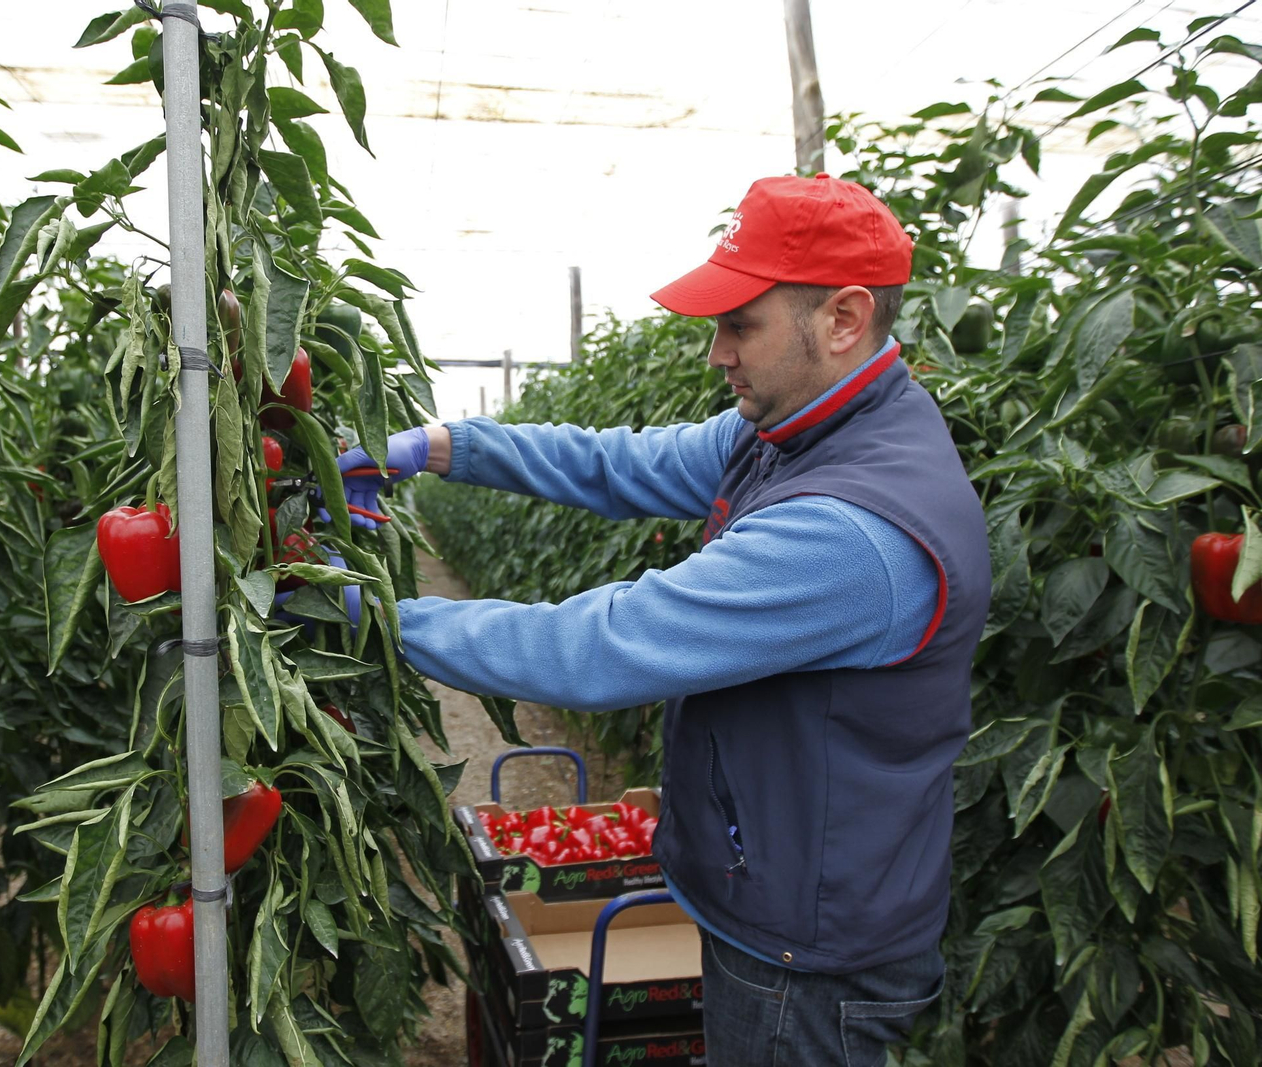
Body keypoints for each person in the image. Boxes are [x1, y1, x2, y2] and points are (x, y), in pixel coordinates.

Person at [333, 173, 992, 1067]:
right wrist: (442, 447)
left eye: (740, 324)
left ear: (843, 318)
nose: (718, 352)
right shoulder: (795, 433)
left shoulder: (850, 532)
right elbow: (621, 463)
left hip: (807, 951)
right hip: (785, 897)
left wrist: (378, 616)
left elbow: (602, 646)